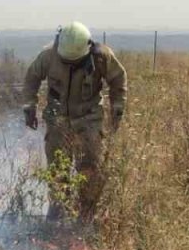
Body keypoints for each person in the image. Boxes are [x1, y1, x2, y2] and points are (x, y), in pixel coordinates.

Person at [22, 21, 127, 222]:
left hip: (89, 118)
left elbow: (118, 79)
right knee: (57, 167)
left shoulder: (101, 57)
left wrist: (117, 109)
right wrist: (29, 107)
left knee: (90, 167)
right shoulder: (48, 56)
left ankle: (86, 212)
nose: (69, 64)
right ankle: (57, 209)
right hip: (57, 119)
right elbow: (31, 78)